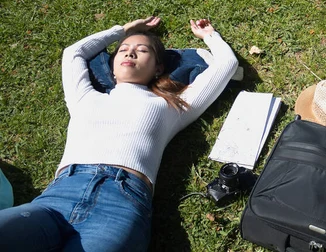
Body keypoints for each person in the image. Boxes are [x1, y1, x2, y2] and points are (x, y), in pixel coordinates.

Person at [0, 16, 239, 252]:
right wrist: (122, 30)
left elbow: (226, 65)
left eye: (142, 50)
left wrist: (209, 35)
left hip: (119, 205)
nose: (130, 53)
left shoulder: (170, 106)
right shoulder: (83, 97)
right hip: (58, 197)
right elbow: (74, 53)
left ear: (158, 68)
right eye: (123, 49)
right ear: (112, 66)